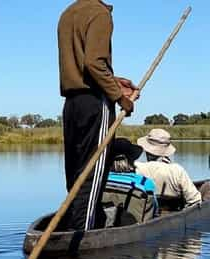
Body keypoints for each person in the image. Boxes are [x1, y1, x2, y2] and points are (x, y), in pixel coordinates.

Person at [58, 0, 139, 231]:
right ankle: (85, 241)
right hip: (95, 103)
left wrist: (113, 81)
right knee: (91, 178)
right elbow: (94, 63)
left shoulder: (68, 13)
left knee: (76, 178)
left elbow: (83, 68)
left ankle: (75, 230)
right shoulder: (100, 13)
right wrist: (119, 97)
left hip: (72, 104)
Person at [134, 128, 202, 208]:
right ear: (166, 151)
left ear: (146, 150)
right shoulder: (177, 170)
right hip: (173, 213)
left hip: (146, 214)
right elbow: (195, 200)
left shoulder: (137, 168)